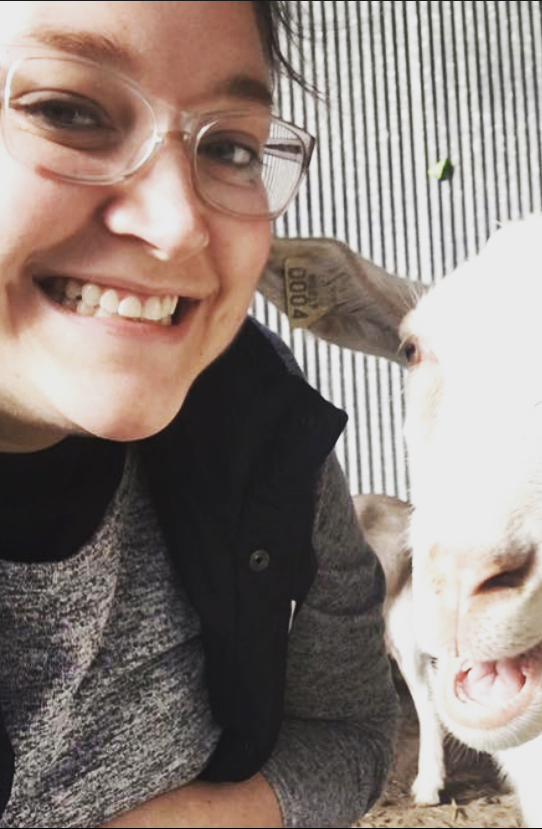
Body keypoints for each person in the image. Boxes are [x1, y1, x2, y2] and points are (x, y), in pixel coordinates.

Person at [0, 1, 397, 826]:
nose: (180, 227)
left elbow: (348, 726)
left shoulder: (257, 411)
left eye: (230, 147)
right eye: (67, 111)